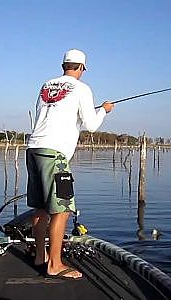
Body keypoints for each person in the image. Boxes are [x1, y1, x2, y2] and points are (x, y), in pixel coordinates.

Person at [26, 49, 114, 279]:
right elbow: (92, 125)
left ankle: (40, 256)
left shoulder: (46, 85)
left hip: (34, 148)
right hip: (55, 154)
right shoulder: (82, 89)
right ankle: (54, 264)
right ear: (82, 68)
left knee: (41, 208)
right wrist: (104, 110)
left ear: (64, 65)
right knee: (62, 210)